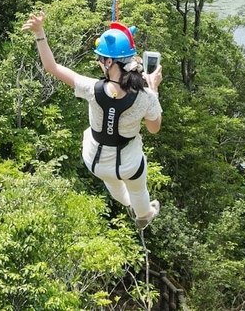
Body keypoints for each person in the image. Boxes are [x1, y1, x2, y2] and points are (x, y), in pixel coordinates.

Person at [22, 12, 163, 229]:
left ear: (109, 62)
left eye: (100, 59)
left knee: (116, 188)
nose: (98, 63)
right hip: (130, 165)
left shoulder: (91, 88)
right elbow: (154, 128)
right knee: (139, 192)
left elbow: (52, 67)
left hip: (96, 163)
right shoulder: (146, 97)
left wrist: (40, 33)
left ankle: (129, 204)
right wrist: (153, 89)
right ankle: (144, 213)